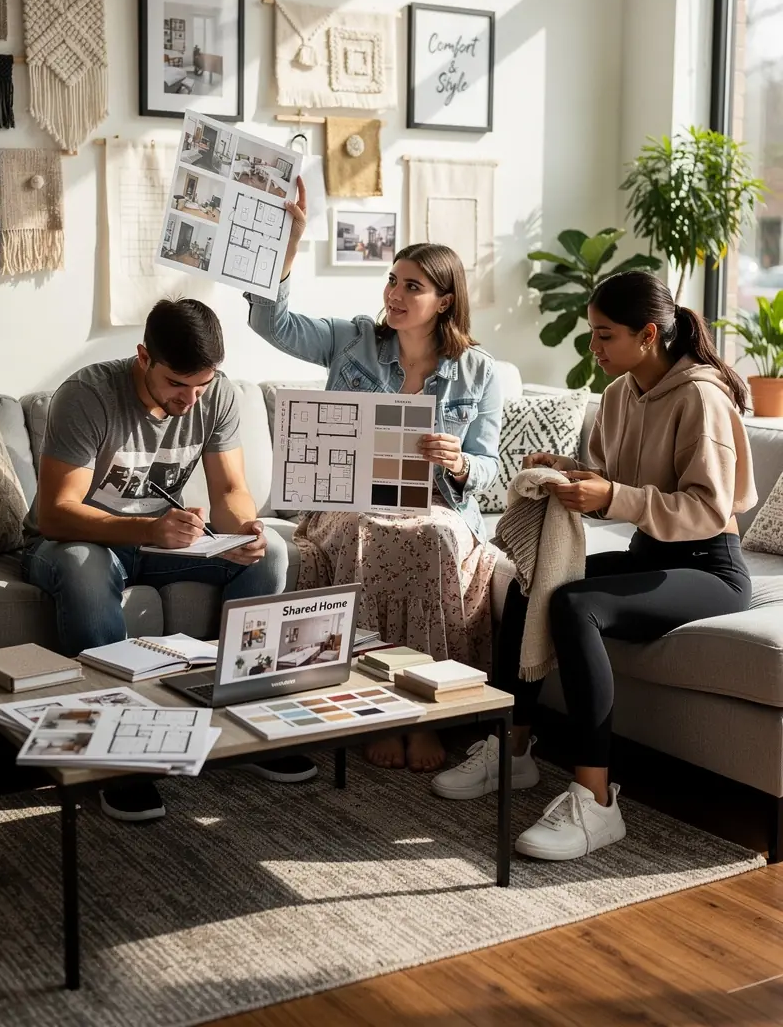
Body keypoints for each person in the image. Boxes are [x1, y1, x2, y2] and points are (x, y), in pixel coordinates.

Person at [432, 270, 756, 860]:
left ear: (648, 335)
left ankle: (596, 800)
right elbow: (613, 478)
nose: (594, 347)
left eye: (606, 335)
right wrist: (567, 470)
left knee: (575, 605)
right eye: (592, 333)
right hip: (649, 557)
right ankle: (514, 749)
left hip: (710, 568)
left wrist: (611, 496)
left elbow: (709, 509)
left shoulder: (701, 397)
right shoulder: (619, 393)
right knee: (533, 578)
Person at [22, 298, 312, 824]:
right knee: (85, 568)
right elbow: (56, 514)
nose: (190, 398)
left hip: (158, 543)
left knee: (269, 552)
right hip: (72, 542)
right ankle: (117, 755)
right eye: (178, 383)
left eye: (202, 385)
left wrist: (244, 529)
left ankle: (245, 721)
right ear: (143, 358)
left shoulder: (216, 394)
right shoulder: (87, 395)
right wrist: (147, 530)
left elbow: (231, 490)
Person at [246, 179, 502, 773]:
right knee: (366, 527)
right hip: (349, 502)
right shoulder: (352, 340)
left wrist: (460, 462)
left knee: (435, 537)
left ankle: (426, 711)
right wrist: (289, 245)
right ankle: (372, 703)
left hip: (436, 506)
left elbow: (489, 466)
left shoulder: (479, 372)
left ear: (445, 301)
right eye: (392, 280)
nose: (394, 293)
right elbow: (272, 324)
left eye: (412, 286)